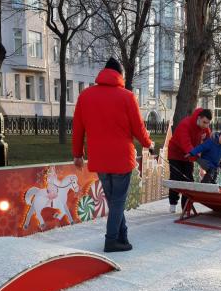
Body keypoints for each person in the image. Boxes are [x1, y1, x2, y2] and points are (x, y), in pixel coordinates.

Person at [72, 58, 153, 253]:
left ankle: (122, 236)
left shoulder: (85, 95)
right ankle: (111, 241)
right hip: (121, 159)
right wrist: (148, 144)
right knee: (117, 202)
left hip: (99, 160)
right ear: (120, 75)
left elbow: (77, 128)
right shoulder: (127, 96)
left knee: (115, 201)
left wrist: (77, 154)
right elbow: (138, 127)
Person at [167, 108, 213, 212]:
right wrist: (198, 159)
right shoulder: (185, 125)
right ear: (199, 118)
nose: (206, 126)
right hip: (176, 154)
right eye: (204, 122)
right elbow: (186, 145)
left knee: (189, 179)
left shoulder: (205, 128)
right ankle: (173, 203)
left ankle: (186, 206)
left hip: (190, 155)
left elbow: (208, 143)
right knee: (176, 178)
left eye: (208, 123)